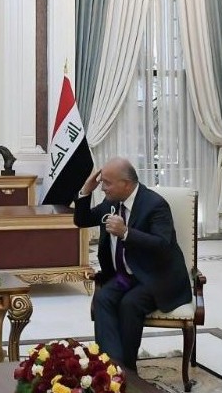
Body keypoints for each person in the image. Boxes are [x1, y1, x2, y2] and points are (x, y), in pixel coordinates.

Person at [73, 157, 191, 371]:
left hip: (157, 276)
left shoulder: (155, 205)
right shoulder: (111, 203)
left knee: (130, 304)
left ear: (126, 184)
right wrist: (85, 191)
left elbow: (163, 245)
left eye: (107, 183)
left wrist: (126, 233)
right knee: (103, 298)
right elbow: (82, 220)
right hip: (127, 276)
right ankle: (111, 367)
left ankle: (128, 370)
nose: (103, 188)